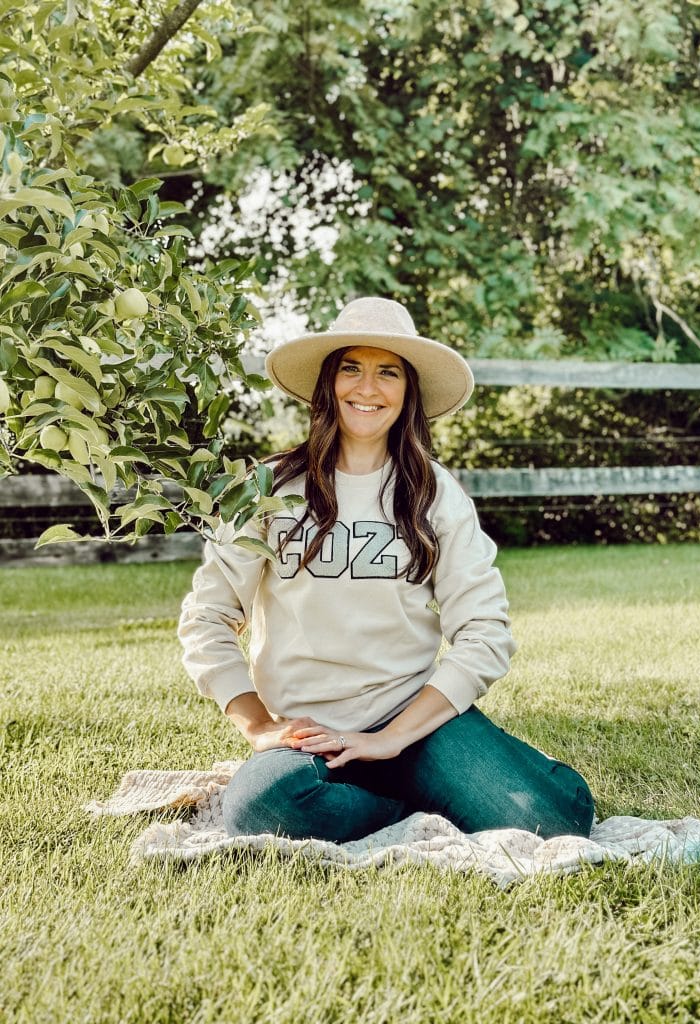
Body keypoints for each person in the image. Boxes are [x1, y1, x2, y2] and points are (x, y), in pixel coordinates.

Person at [178, 297, 594, 843]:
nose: (367, 388)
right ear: (328, 383)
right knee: (261, 810)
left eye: (388, 372)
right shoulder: (268, 489)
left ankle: (441, 777)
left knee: (557, 821)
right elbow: (207, 617)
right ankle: (407, 811)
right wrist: (258, 726)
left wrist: (389, 739)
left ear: (408, 391)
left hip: (415, 724)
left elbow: (485, 633)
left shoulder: (435, 493)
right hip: (309, 737)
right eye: (351, 368)